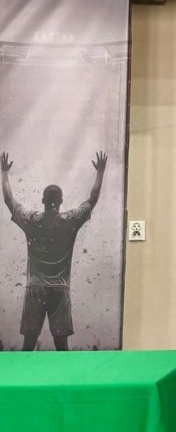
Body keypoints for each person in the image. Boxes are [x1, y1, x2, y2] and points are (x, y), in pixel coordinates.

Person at [1, 150, 107, 351]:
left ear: (43, 200)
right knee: (62, 348)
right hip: (60, 290)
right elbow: (93, 198)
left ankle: (24, 372)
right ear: (61, 201)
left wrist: (4, 172)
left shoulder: (32, 221)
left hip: (35, 289)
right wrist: (100, 171)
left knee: (28, 346)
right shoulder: (70, 221)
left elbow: (9, 200)